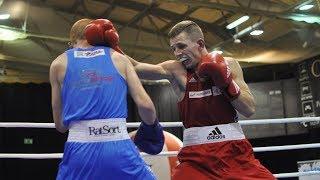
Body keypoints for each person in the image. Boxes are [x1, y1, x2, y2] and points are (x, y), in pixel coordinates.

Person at [124, 20, 276, 179]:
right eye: (174, 48)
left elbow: (249, 109)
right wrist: (108, 48)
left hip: (235, 154)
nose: (177, 53)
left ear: (200, 43)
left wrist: (226, 83)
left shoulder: (229, 64)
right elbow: (135, 67)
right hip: (195, 159)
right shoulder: (176, 70)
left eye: (181, 46)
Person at [49, 18, 164, 180]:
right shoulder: (119, 58)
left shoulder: (58, 64)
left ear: (73, 40)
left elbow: (60, 126)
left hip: (79, 151)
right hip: (118, 146)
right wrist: (152, 128)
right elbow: (146, 106)